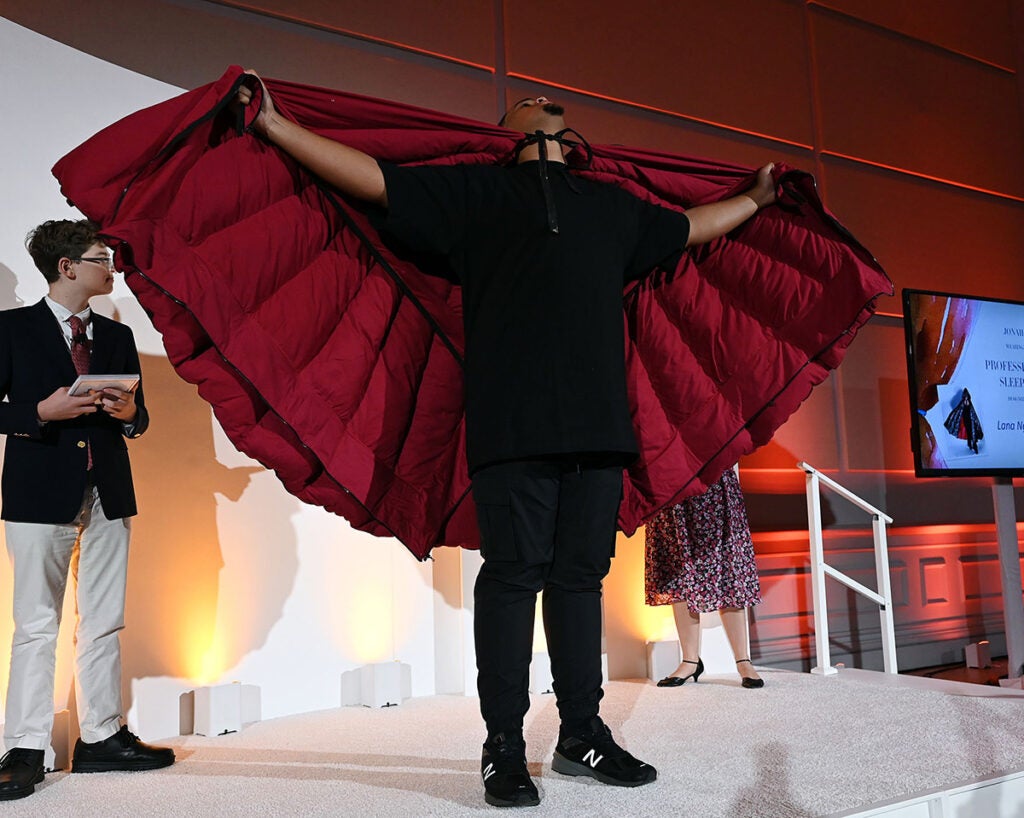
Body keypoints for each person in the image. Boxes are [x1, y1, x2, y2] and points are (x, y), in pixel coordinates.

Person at [237, 77, 777, 808]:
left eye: (555, 102)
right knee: (516, 574)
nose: (546, 99)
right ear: (510, 131)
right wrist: (275, 127)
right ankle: (502, 748)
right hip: (514, 425)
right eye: (530, 101)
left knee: (580, 579)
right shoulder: (475, 198)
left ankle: (582, 734)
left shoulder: (611, 207)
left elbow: (688, 226)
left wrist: (756, 200)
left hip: (598, 428)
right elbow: (376, 181)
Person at [0, 220, 174, 801]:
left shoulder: (117, 337)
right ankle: (25, 747)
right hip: (37, 493)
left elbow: (138, 419)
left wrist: (128, 413)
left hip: (107, 493)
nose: (112, 266)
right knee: (35, 625)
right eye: (102, 257)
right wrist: (41, 412)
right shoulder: (12, 330)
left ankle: (99, 737)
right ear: (68, 267)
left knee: (103, 621)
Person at [646, 466, 764, 689]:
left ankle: (743, 661)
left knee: (728, 568)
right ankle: (690, 660)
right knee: (678, 569)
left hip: (713, 475)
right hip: (673, 481)